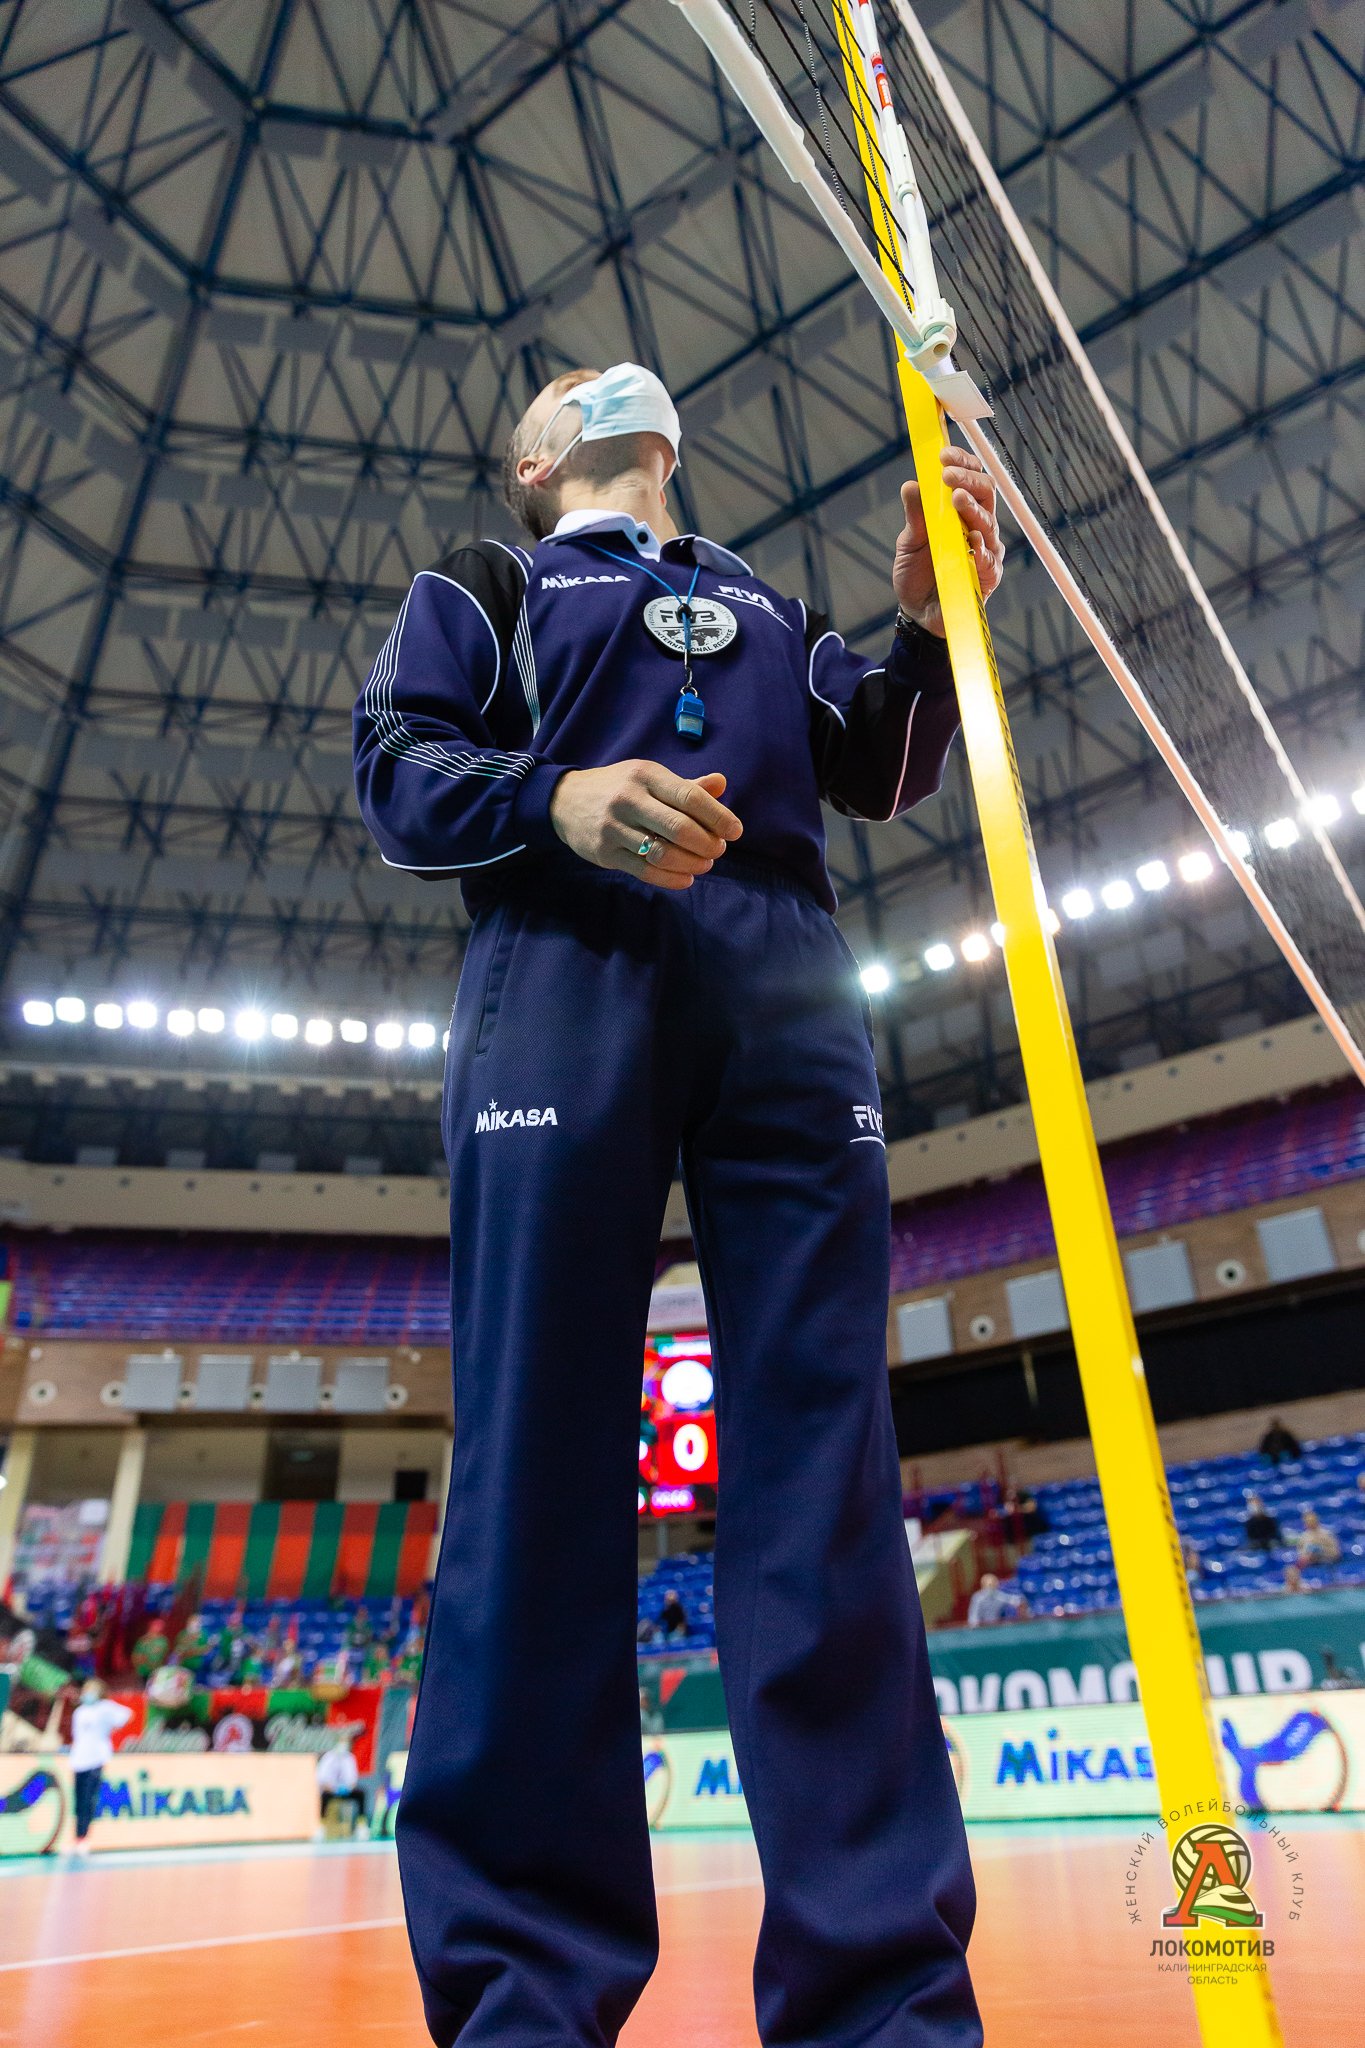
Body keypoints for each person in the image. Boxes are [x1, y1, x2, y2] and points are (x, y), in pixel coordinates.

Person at [356, 359, 1003, 2048]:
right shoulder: (490, 585)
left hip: (785, 964)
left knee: (828, 1465)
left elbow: (885, 764)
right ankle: (523, 1996)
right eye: (568, 383)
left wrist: (926, 628)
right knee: (535, 1461)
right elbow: (397, 767)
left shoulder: (765, 603)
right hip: (564, 942)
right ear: (536, 457)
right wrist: (551, 797)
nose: (607, 378)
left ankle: (883, 2001)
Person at [67, 1678, 133, 1853]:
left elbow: (126, 1715)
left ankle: (84, 1838)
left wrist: (109, 1729)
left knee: (88, 1799)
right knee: (78, 1801)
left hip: (95, 1759)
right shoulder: (80, 1711)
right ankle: (77, 1837)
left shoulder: (105, 1708)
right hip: (79, 1759)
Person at [316, 1736, 362, 1831]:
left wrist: (347, 1788)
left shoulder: (349, 1758)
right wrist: (333, 1789)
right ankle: (321, 1826)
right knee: (324, 1796)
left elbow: (353, 1780)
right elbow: (321, 1779)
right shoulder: (328, 1757)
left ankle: (361, 1824)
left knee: (361, 1794)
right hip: (331, 1790)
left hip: (345, 1790)